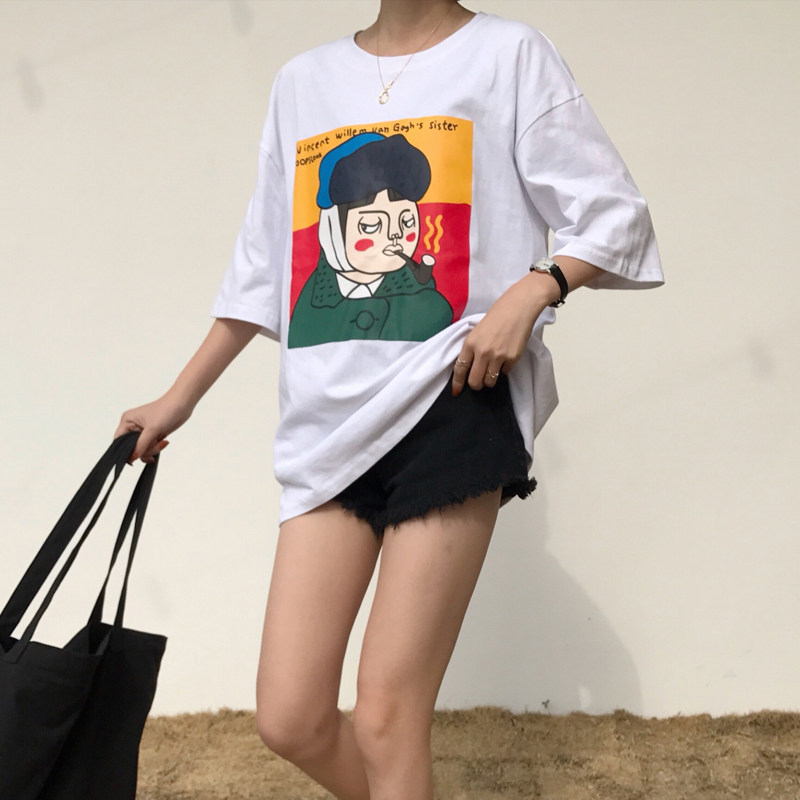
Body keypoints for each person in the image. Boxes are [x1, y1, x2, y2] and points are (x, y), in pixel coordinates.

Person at [115, 1, 663, 798]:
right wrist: (179, 398)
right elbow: (264, 267)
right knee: (291, 718)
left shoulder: (508, 55)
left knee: (384, 717)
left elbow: (613, 212)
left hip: (455, 403)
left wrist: (536, 287)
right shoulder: (303, 81)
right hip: (327, 424)